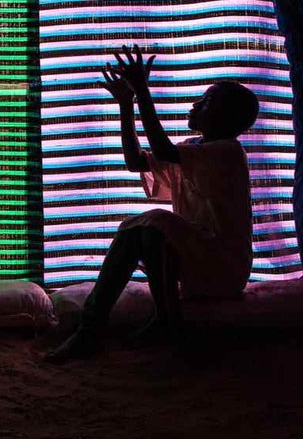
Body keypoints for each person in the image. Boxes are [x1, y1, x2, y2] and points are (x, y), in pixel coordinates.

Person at [45, 45, 259, 362]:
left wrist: (142, 91)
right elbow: (136, 162)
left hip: (223, 267)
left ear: (225, 116)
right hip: (197, 260)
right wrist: (126, 105)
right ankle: (123, 326)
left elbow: (159, 149)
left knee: (152, 222)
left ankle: (100, 329)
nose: (195, 104)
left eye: (206, 101)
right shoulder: (195, 149)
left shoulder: (227, 152)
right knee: (145, 231)